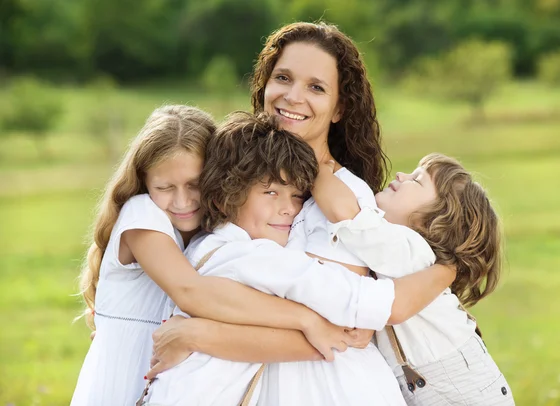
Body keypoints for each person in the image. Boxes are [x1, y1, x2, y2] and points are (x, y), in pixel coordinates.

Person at [146, 21, 452, 406]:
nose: (292, 96)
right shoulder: (238, 173)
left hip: (330, 388)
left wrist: (195, 335)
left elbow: (337, 327)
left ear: (339, 107)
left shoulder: (344, 201)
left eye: (316, 87)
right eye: (283, 78)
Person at [71, 105, 360, 406]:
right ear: (144, 181)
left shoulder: (212, 241)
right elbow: (190, 293)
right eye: (165, 187)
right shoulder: (142, 216)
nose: (182, 202)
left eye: (194, 185)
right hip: (118, 391)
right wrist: (307, 320)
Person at [144, 112, 404, 405]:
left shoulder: (201, 247)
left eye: (296, 196)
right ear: (222, 198)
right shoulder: (248, 257)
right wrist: (445, 268)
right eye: (270, 192)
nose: (288, 209)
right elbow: (345, 295)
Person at [314, 153, 515, 405]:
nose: (401, 175)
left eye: (417, 180)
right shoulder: (404, 256)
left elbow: (343, 212)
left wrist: (318, 169)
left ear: (430, 222)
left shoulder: (410, 249)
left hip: (461, 390)